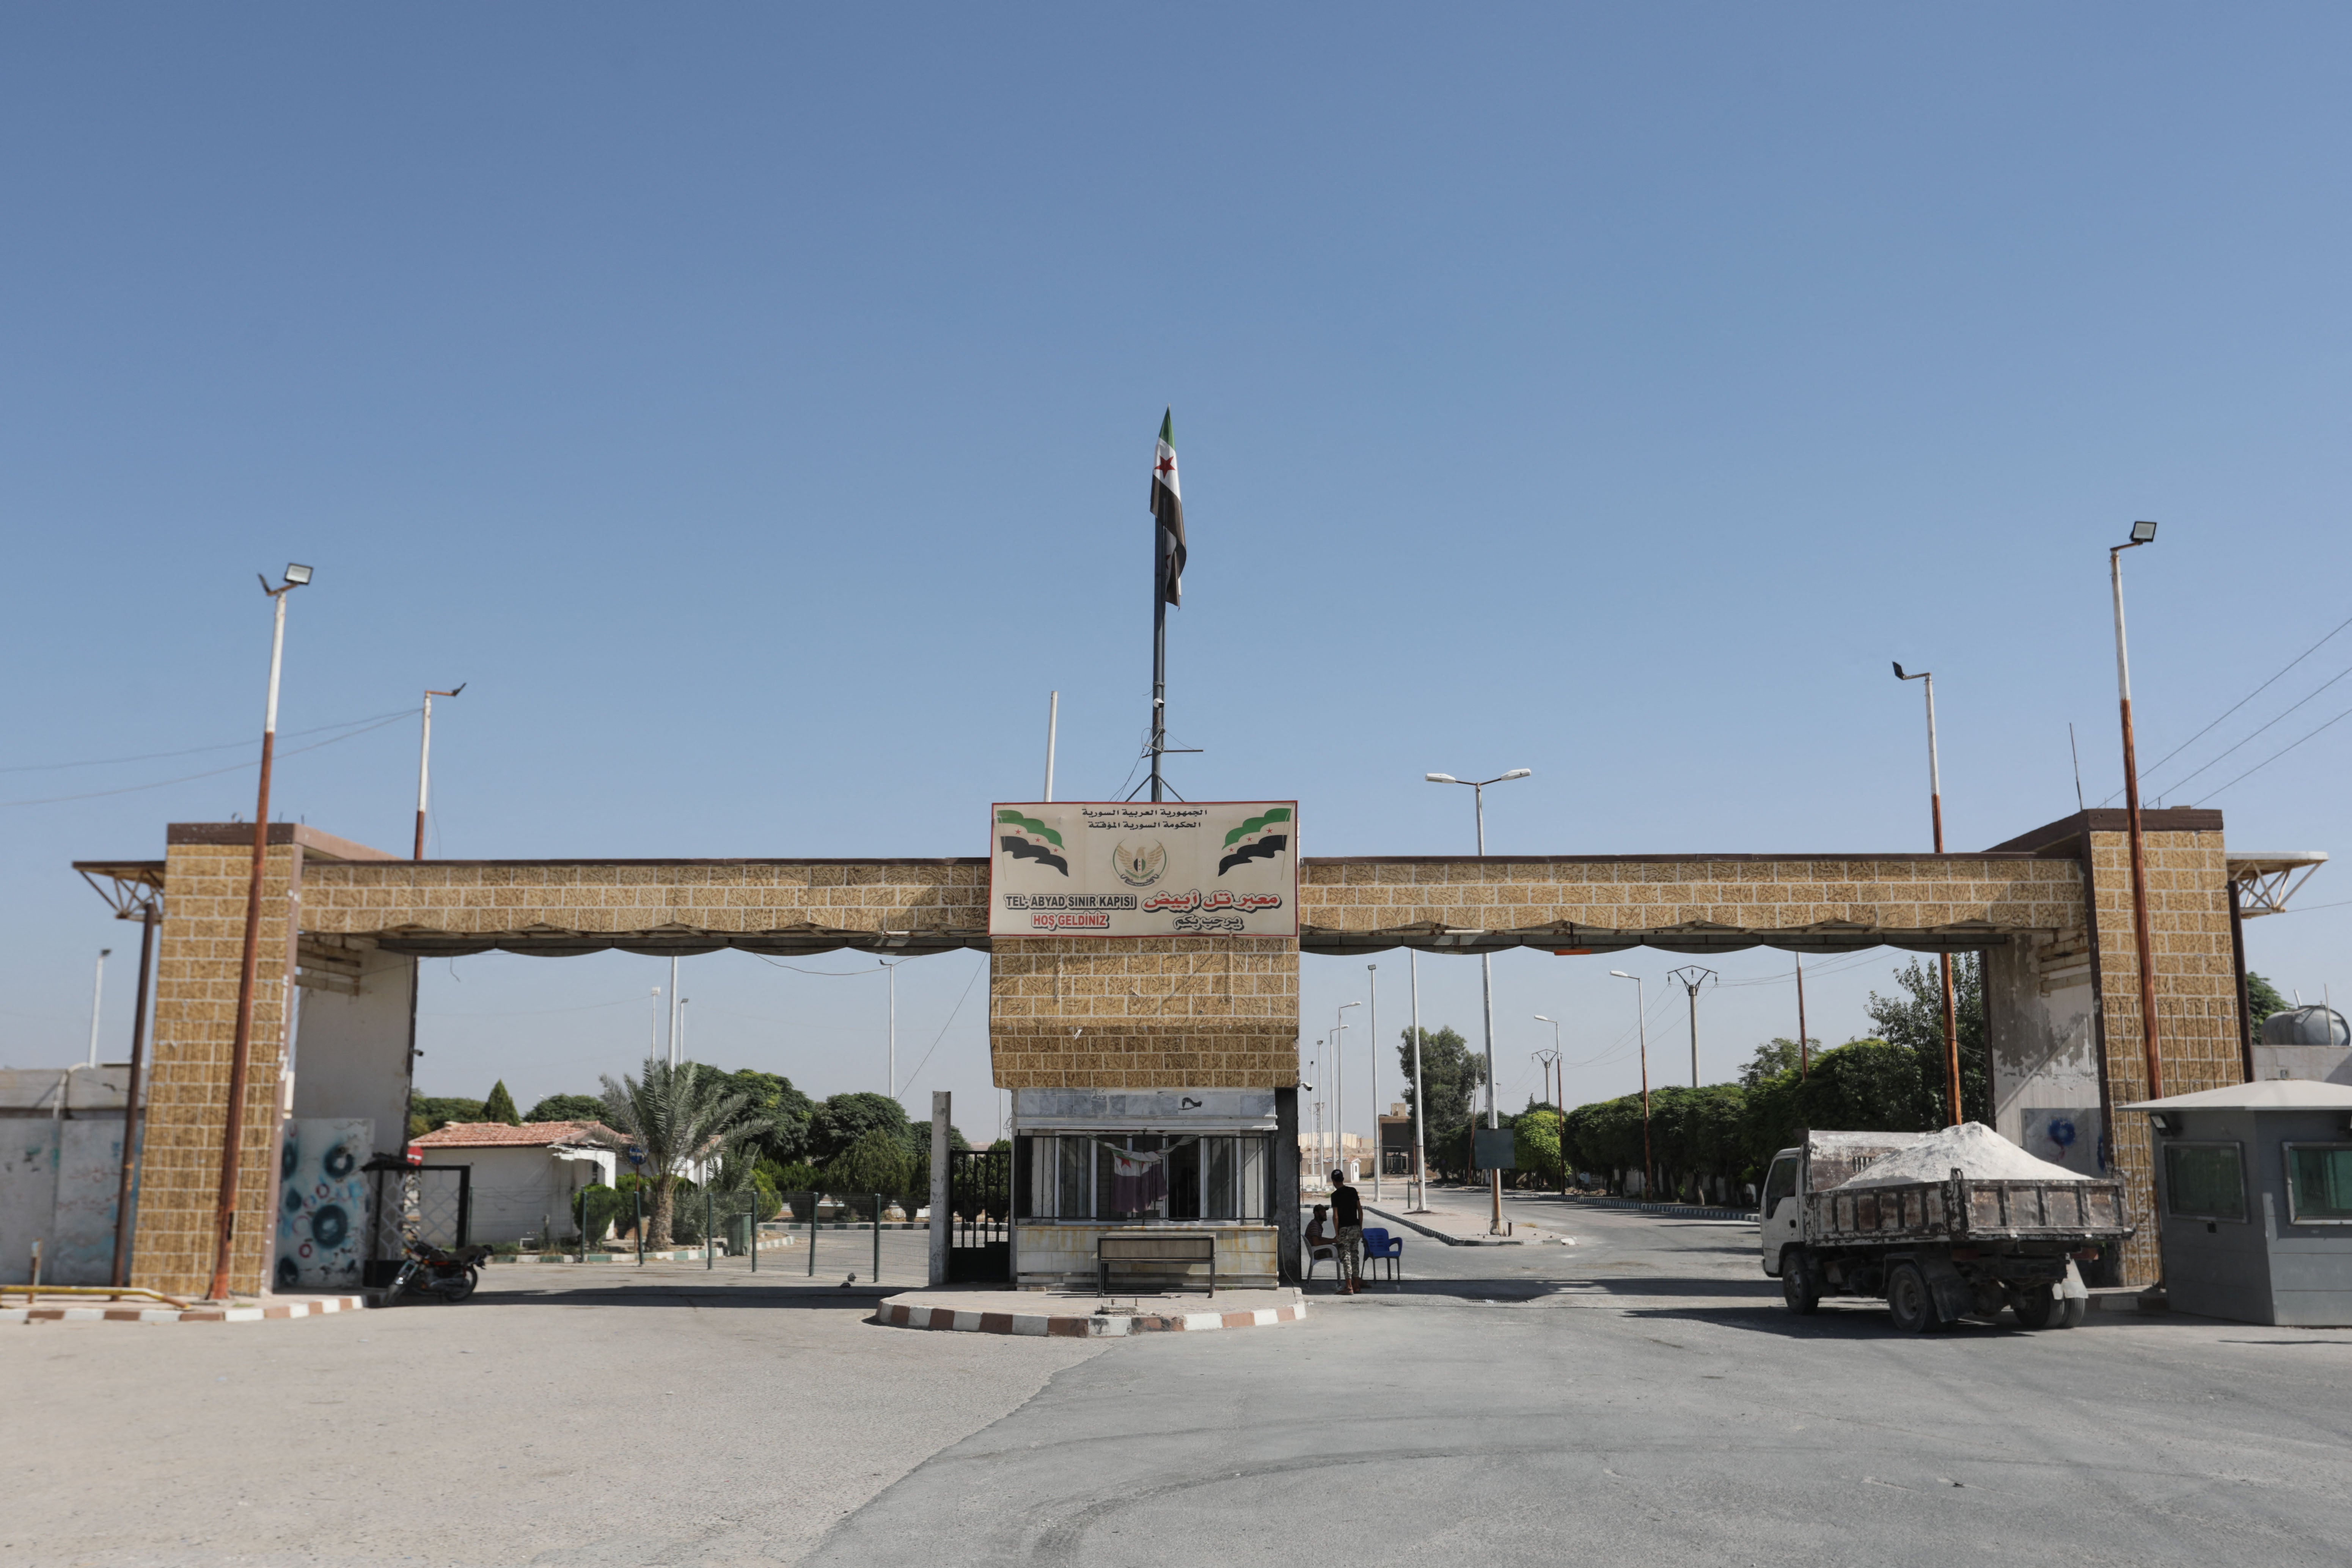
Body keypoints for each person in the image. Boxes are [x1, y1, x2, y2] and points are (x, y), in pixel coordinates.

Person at [1329, 1168, 1364, 1294]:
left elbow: (1336, 1217)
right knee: (1355, 1256)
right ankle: (1357, 1285)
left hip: (1344, 1230)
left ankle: (1349, 1287)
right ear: (1343, 1179)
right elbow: (1360, 1211)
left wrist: (1337, 1233)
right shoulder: (1353, 1191)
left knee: (1347, 1257)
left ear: (1334, 1181)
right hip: (1355, 1228)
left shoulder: (1335, 1196)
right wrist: (1360, 1228)